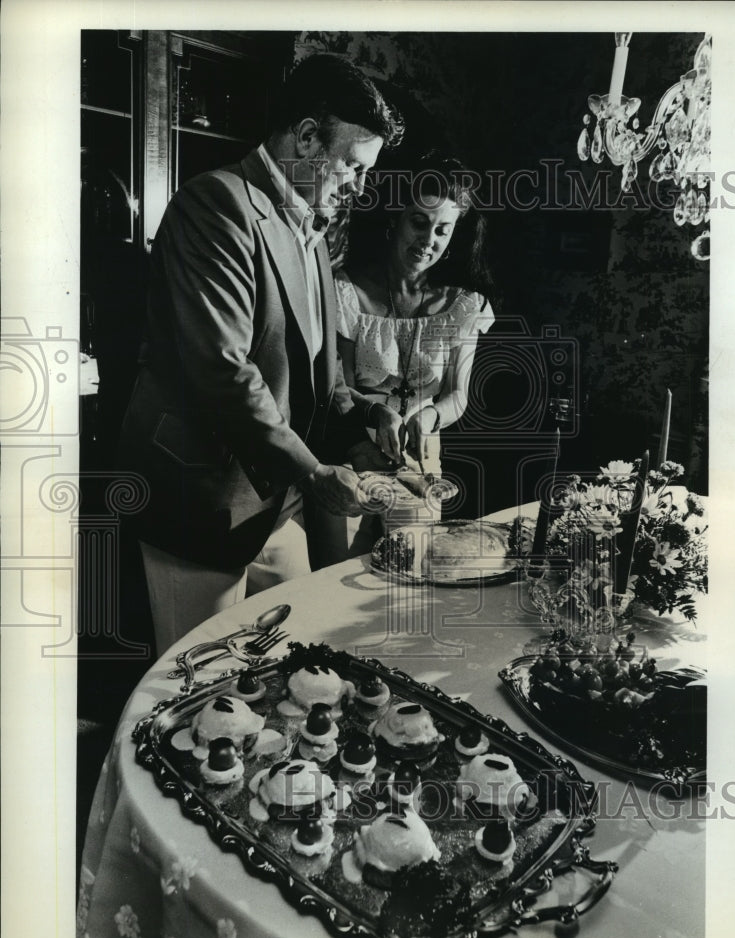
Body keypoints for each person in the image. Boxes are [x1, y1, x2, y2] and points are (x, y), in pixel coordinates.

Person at [116, 54, 403, 655]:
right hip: (201, 504)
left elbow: (318, 380)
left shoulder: (313, 232)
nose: (358, 184)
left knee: (298, 654)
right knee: (198, 689)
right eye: (352, 164)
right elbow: (223, 372)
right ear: (305, 136)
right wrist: (314, 472)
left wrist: (366, 418)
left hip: (274, 507)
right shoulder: (215, 204)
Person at [310, 153, 496, 564]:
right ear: (394, 218)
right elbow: (335, 388)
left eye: (442, 230)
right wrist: (374, 417)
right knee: (334, 588)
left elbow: (458, 396)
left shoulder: (464, 304)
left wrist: (427, 417)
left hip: (421, 464)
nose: (429, 239)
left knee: (402, 590)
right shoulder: (346, 292)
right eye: (419, 222)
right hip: (349, 458)